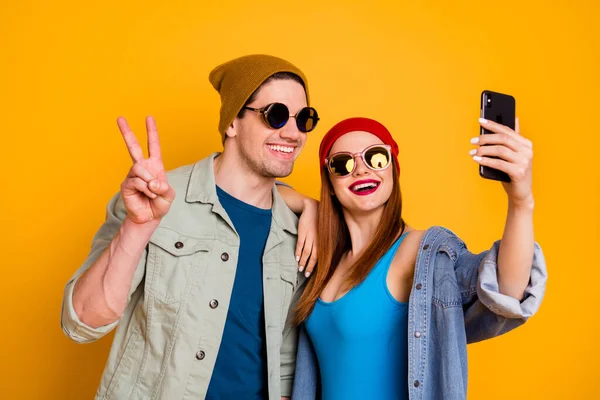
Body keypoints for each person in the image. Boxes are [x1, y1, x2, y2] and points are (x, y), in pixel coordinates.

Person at [60, 54, 320, 399]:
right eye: (275, 115)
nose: (291, 133)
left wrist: (314, 207)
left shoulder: (298, 231)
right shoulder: (155, 199)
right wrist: (138, 228)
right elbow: (82, 323)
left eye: (304, 119)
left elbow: (284, 361)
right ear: (233, 122)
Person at [291, 117, 547, 400]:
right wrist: (307, 204)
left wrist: (521, 202)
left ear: (393, 171)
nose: (361, 169)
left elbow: (507, 289)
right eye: (343, 164)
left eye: (376, 158)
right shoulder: (321, 259)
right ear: (328, 181)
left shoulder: (418, 251)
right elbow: (258, 191)